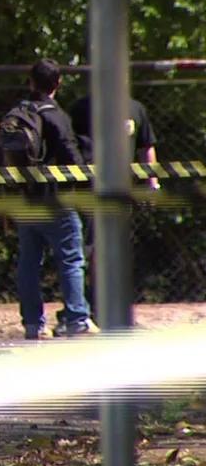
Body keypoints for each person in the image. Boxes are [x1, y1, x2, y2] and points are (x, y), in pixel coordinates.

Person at [15, 59, 97, 339]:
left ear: (30, 82)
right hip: (57, 200)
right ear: (58, 84)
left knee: (28, 262)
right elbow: (71, 156)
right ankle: (77, 318)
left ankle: (32, 323)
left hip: (26, 200)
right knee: (72, 260)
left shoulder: (19, 113)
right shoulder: (56, 115)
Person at [67, 94, 160, 311]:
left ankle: (111, 306)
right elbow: (69, 145)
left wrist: (152, 182)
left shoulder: (135, 108)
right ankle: (84, 307)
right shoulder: (82, 107)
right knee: (88, 248)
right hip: (89, 188)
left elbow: (146, 146)